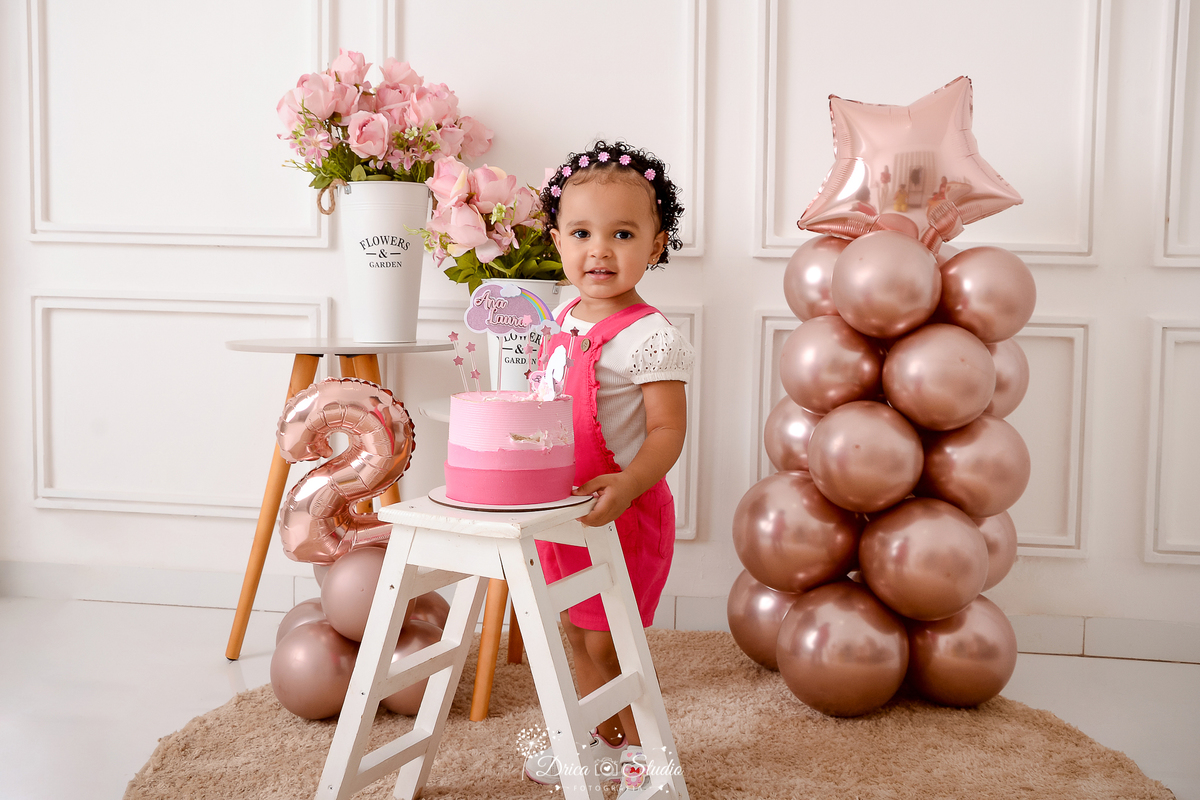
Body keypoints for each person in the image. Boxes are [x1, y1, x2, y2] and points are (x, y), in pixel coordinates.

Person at [523, 140, 694, 796]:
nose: (600, 250)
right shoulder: (562, 316)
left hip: (622, 510)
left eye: (622, 234)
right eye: (583, 233)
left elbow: (667, 431)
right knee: (570, 628)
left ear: (655, 245)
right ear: (557, 242)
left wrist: (628, 484)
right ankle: (598, 743)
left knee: (606, 642)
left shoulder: (651, 337)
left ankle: (646, 759)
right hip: (560, 509)